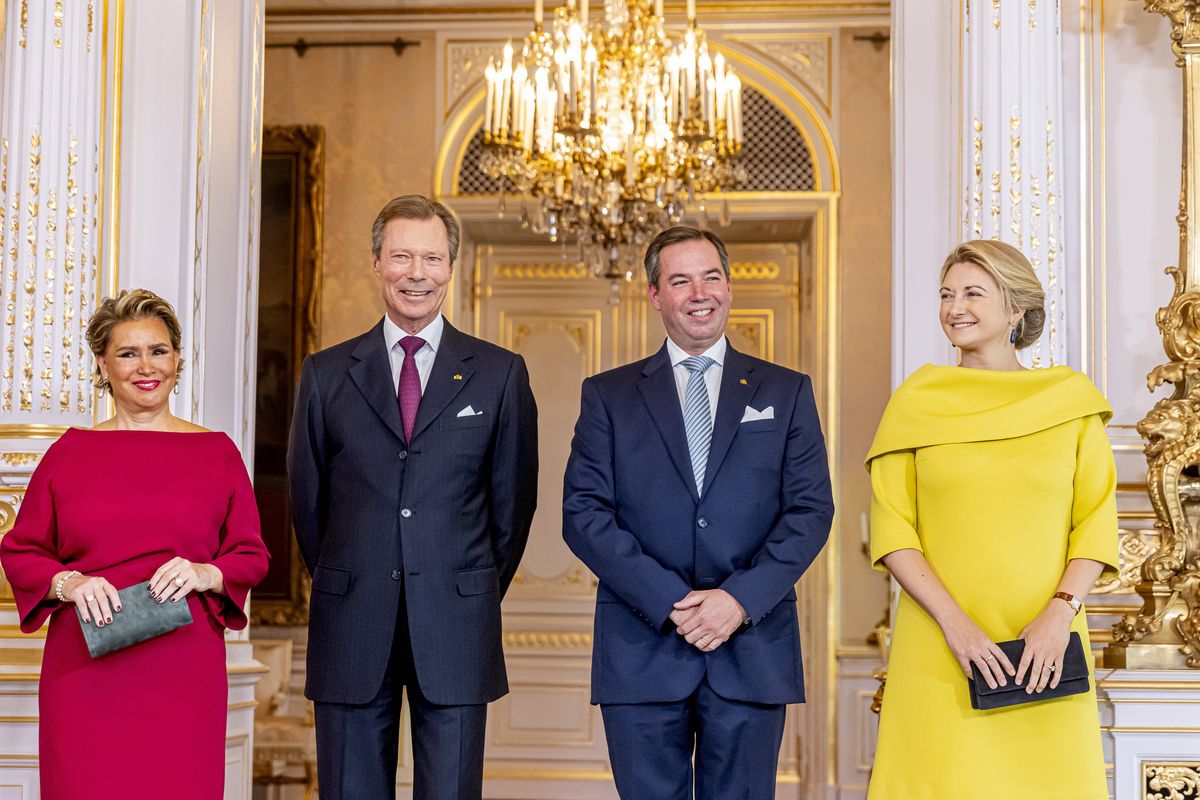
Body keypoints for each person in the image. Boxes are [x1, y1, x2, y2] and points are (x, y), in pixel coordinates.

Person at [562, 225, 834, 800]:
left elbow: (810, 511)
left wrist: (738, 601)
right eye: (681, 280)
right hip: (641, 649)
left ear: (729, 287)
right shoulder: (607, 395)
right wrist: (672, 603)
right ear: (655, 295)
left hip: (751, 648)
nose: (700, 293)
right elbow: (583, 514)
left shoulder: (786, 392)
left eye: (711, 277)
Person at [288, 194, 538, 800]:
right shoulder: (325, 374)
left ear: (451, 266)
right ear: (376, 262)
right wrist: (353, 573)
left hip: (456, 623)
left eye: (431, 258)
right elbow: (307, 503)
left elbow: (512, 506)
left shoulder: (500, 373)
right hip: (351, 621)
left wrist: (466, 583)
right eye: (402, 256)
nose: (416, 274)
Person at [865, 240, 1116, 799]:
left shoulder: (1071, 402)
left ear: (1016, 308)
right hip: (939, 643)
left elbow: (1096, 523)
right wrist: (956, 627)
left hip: (1045, 648)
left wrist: (1059, 615)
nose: (955, 307)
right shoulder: (915, 401)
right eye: (946, 294)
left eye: (973, 293)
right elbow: (894, 529)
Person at [0, 288, 270, 799]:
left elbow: (250, 554)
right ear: (103, 365)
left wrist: (204, 572)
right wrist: (70, 582)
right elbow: (22, 550)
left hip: (183, 670)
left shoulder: (217, 453)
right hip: (84, 669)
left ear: (177, 359)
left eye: (159, 350)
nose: (146, 366)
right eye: (128, 353)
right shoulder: (68, 453)